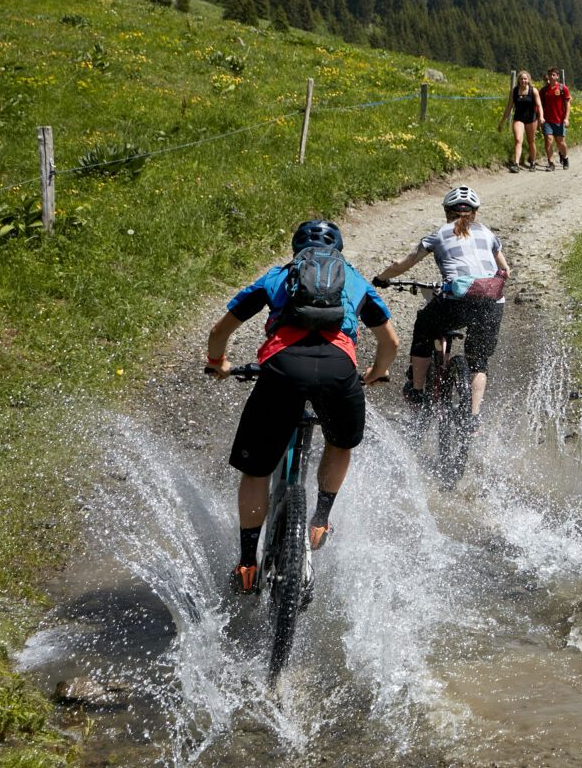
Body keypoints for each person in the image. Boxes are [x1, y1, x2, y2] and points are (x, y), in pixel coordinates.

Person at [205, 219, 397, 595]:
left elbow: (219, 332)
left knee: (257, 469)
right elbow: (389, 340)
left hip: (282, 367)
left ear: (297, 250)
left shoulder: (277, 277)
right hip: (339, 370)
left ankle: (247, 564)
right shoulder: (355, 280)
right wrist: (376, 372)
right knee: (340, 442)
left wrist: (219, 364)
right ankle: (320, 520)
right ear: (337, 251)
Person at [371, 185, 509, 430]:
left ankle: (417, 390)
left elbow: (402, 263)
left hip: (456, 300)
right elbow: (505, 271)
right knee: (478, 361)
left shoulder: (439, 234)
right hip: (492, 302)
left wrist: (381, 279)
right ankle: (472, 417)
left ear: (447, 212)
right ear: (475, 213)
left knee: (425, 325)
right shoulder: (488, 234)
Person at [503, 70, 542, 172]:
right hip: (518, 118)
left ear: (528, 80)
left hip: (531, 119)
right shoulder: (514, 91)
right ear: (518, 80)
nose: (523, 80)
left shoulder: (533, 91)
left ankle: (532, 162)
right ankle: (516, 164)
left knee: (531, 141)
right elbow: (509, 107)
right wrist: (502, 121)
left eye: (525, 79)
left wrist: (541, 117)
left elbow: (539, 105)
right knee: (518, 140)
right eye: (521, 79)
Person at [538, 67, 571, 171]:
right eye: (550, 75)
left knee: (560, 142)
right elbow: (539, 105)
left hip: (559, 120)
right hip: (547, 120)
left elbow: (568, 104)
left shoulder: (563, 88)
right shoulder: (543, 90)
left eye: (554, 75)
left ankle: (565, 158)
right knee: (548, 140)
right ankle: (551, 163)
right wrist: (540, 117)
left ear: (557, 76)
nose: (551, 77)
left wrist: (566, 118)